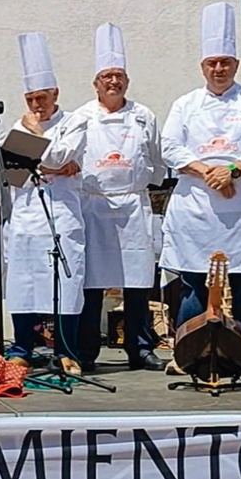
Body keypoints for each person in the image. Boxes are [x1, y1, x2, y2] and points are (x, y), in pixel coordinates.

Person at [160, 1, 241, 344]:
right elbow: (169, 146)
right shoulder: (185, 104)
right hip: (197, 207)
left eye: (225, 62)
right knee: (193, 282)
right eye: (212, 63)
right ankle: (189, 346)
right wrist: (209, 173)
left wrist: (233, 170)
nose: (219, 69)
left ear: (236, 64)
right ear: (202, 66)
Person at [74, 23, 165, 372]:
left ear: (127, 80)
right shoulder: (81, 117)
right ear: (96, 82)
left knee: (137, 282)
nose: (113, 82)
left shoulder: (143, 116)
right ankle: (86, 351)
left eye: (119, 76)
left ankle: (139, 348)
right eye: (107, 76)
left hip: (132, 206)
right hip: (93, 206)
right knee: (92, 285)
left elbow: (157, 161)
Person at [4, 33, 89, 372]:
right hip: (26, 216)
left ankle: (66, 350)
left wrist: (37, 140)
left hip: (62, 216)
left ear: (55, 94)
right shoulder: (18, 124)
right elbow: (15, 173)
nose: (36, 105)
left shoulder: (75, 121)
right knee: (23, 282)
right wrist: (51, 164)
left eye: (41, 97)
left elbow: (60, 155)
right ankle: (22, 348)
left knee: (66, 282)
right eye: (30, 99)